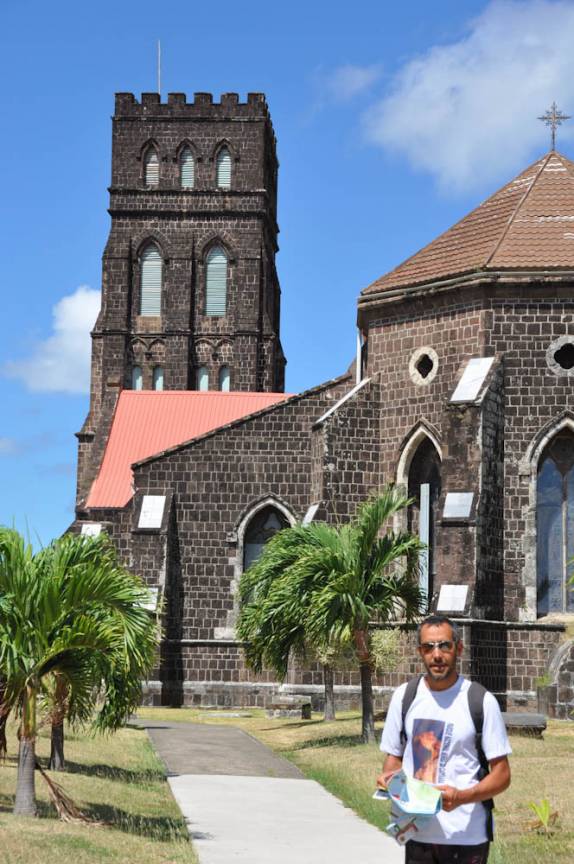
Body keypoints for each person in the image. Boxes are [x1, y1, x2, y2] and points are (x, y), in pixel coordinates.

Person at [377, 614, 511, 864]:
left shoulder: (480, 701)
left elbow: (502, 775)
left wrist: (462, 797)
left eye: (444, 645)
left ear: (458, 648)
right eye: (429, 647)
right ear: (420, 651)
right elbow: (394, 758)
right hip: (417, 834)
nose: (436, 655)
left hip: (466, 836)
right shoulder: (405, 697)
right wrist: (388, 782)